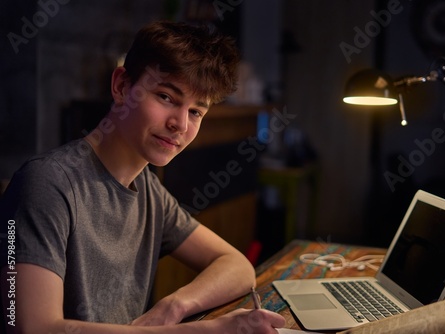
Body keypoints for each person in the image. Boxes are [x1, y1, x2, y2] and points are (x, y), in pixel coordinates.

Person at [0, 20, 285, 333]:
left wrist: (173, 306)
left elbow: (238, 267)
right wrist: (205, 330)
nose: (180, 124)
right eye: (166, 97)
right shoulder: (45, 183)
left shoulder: (148, 188)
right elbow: (33, 328)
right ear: (122, 86)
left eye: (195, 112)